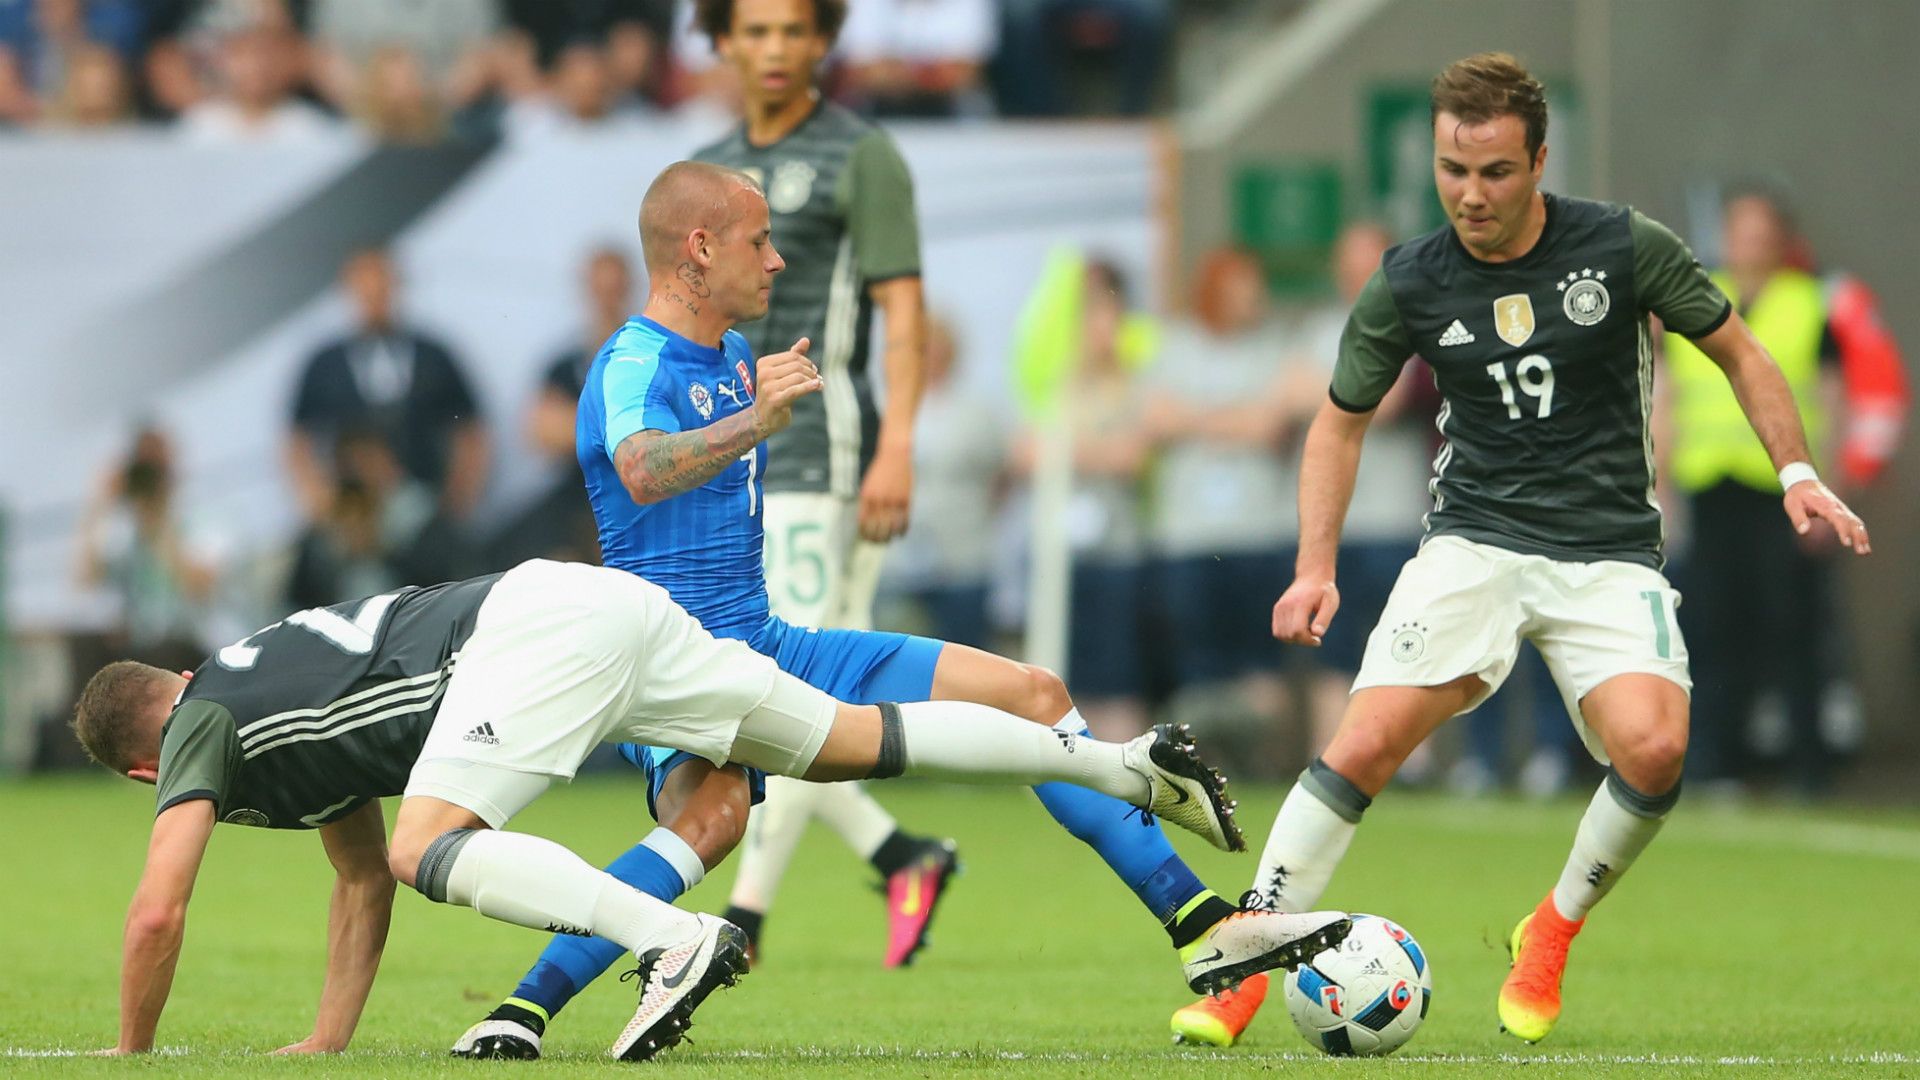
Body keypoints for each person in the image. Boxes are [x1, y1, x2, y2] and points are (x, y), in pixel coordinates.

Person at [450, 161, 1350, 1060]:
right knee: (710, 821)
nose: (774, 262)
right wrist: (757, 422)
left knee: (1031, 692)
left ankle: (1200, 930)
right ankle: (523, 1007)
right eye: (758, 242)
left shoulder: (729, 357)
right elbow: (643, 472)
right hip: (670, 662)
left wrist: (760, 409)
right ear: (698, 249)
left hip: (767, 647)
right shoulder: (631, 361)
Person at [1169, 52, 1871, 1050]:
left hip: (1609, 551)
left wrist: (1798, 472)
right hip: (1474, 543)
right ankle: (1244, 961)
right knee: (1364, 741)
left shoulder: (1624, 248)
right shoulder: (1411, 277)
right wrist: (1314, 565)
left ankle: (1549, 933)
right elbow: (1338, 423)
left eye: (1495, 171)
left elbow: (1743, 353)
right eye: (1454, 169)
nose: (1471, 193)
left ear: (1540, 161)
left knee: (1657, 749)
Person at [71, 558, 1241, 1061]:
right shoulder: (264, 685)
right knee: (841, 747)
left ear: (146, 765)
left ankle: (675, 939)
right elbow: (361, 873)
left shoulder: (200, 731)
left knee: (440, 839)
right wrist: (330, 1038)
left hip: (523, 638)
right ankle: (1129, 766)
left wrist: (130, 1056)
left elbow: (156, 914)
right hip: (602, 606)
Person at [692, 0, 948, 974]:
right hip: (737, 455)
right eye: (752, 30)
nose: (772, 49)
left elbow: (905, 312)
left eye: (792, 30)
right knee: (780, 694)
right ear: (721, 40)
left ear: (821, 41)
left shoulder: (861, 155)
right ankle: (900, 853)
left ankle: (744, 920)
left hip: (824, 452)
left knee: (790, 689)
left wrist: (900, 446)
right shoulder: (708, 167)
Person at [1663, 190, 1848, 794]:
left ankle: (1807, 766)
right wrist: (1661, 482)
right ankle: (1717, 762)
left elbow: (1832, 401)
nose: (1749, 242)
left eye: (1761, 230)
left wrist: (1830, 490)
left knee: (1793, 626)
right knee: (1713, 627)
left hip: (1783, 491)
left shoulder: (1809, 303)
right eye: (1739, 230)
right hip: (1710, 483)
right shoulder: (1695, 295)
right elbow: (1665, 395)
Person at [286, 249, 490, 527]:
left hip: (429, 507)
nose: (374, 298)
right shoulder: (324, 364)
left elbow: (470, 432)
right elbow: (297, 442)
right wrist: (322, 503)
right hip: (354, 517)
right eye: (365, 289)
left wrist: (457, 502)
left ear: (396, 286)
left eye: (381, 287)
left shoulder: (434, 355)